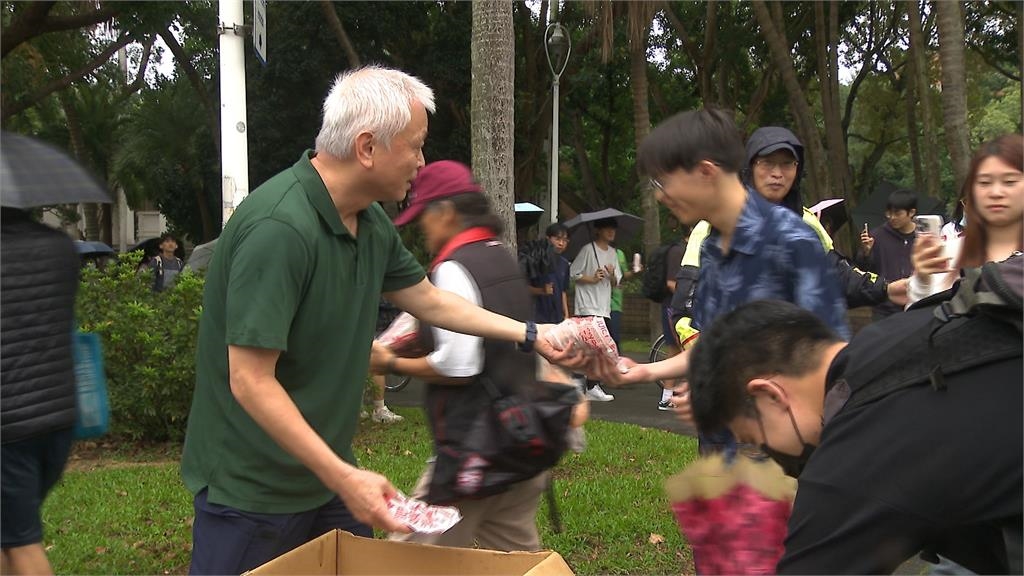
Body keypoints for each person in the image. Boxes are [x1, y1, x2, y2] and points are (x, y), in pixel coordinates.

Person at [180, 66, 576, 575]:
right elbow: (250, 380)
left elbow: (429, 300)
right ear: (367, 147)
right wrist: (345, 477)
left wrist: (533, 333)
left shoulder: (368, 221)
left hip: (328, 477)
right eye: (415, 146)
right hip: (253, 490)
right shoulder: (279, 228)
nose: (421, 162)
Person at [682, 296, 1022, 574]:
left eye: (757, 441)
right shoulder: (907, 333)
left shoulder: (859, 454)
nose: (773, 459)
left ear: (770, 395)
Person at [593, 109, 849, 458]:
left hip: (774, 457)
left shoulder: (793, 242)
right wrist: (643, 371)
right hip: (717, 444)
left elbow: (829, 368)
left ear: (705, 172)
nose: (660, 196)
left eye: (662, 183)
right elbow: (714, 344)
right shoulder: (712, 246)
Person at [382, 160, 557, 551]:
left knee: (406, 556)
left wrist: (388, 363)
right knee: (519, 561)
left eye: (424, 217)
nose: (422, 228)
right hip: (521, 444)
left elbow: (457, 365)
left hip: (473, 452)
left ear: (445, 212)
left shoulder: (454, 268)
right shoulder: (501, 257)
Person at [669, 126, 904, 344]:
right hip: (732, 361)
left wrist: (887, 289)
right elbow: (685, 307)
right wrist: (705, 355)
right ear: (750, 167)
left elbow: (838, 276)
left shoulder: (807, 224)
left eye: (787, 164)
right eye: (767, 163)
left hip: (796, 358)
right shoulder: (713, 225)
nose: (777, 174)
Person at [1, 207, 80, 575]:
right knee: (8, 532)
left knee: (21, 541)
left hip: (8, 424)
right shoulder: (59, 247)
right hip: (57, 416)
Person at [909, 133, 1023, 304]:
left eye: (1009, 181)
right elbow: (920, 316)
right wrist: (922, 281)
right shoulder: (947, 254)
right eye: (984, 182)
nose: (996, 193)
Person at [569, 218, 622, 402]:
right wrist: (591, 278)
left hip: (603, 307)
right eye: (607, 229)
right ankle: (581, 383)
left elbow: (616, 282)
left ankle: (591, 385)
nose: (611, 232)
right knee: (586, 347)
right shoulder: (587, 250)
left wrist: (611, 274)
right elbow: (573, 273)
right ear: (598, 230)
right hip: (586, 305)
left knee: (599, 349)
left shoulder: (613, 253)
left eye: (613, 229)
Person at [858, 188, 919, 320]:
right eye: (889, 213)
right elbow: (864, 272)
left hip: (916, 305)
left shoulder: (922, 237)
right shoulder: (877, 236)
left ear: (911, 212)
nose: (892, 217)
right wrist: (866, 252)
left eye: (897, 213)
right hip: (884, 307)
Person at [528, 222, 570, 324]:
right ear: (548, 239)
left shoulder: (564, 264)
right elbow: (523, 287)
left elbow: (563, 291)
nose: (561, 243)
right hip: (537, 316)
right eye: (557, 239)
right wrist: (541, 290)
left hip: (557, 317)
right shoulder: (534, 260)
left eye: (565, 240)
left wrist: (566, 314)